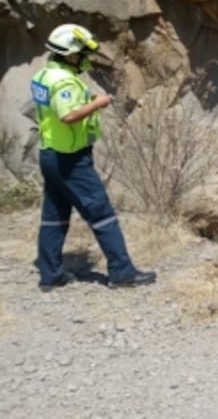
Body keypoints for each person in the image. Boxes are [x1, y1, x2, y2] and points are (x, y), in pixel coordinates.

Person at [30, 23, 156, 292]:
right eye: (81, 53)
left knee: (54, 216)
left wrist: (85, 97)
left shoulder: (43, 75)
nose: (85, 57)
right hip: (70, 160)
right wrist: (97, 103)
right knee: (102, 214)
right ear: (69, 54)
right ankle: (123, 273)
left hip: (49, 154)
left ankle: (50, 275)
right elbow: (67, 115)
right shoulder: (64, 82)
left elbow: (53, 108)